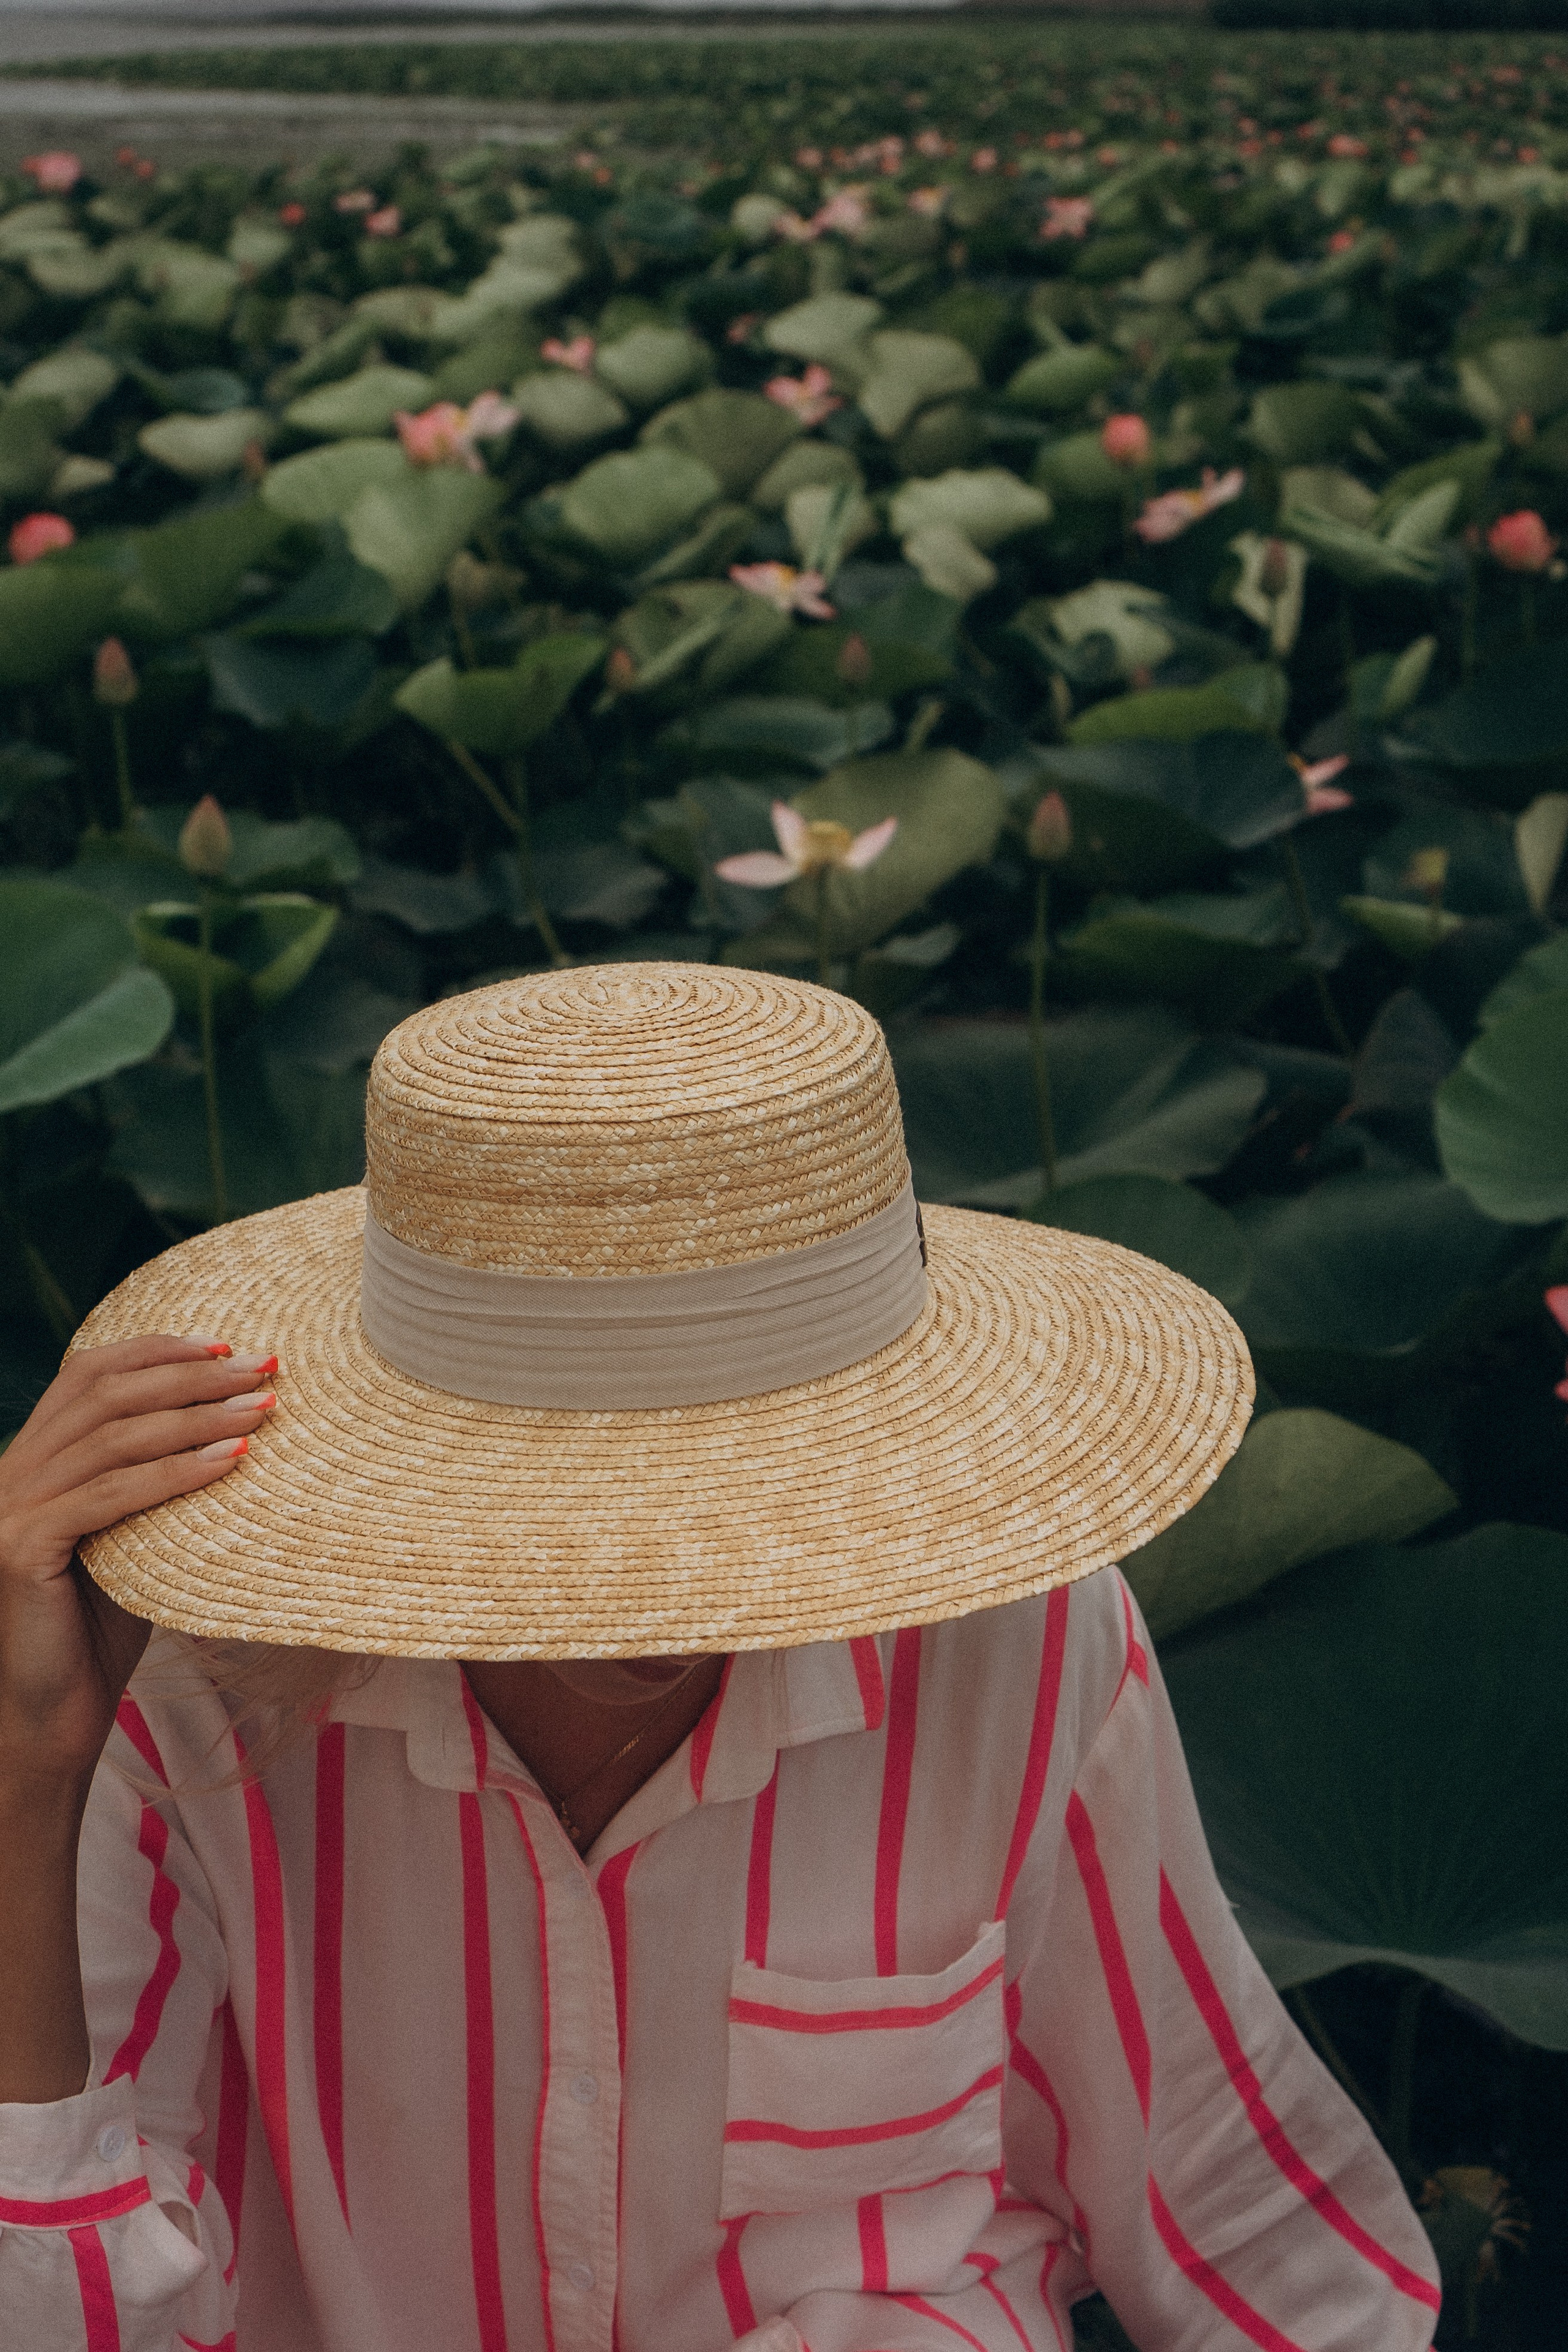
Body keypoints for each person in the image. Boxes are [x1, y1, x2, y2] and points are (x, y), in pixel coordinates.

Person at [0, 965, 1439, 2352]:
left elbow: (1230, 2205)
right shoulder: (186, 1683)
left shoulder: (1018, 1641)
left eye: (738, 1482)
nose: (661, 1592)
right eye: (565, 1485)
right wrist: (21, 1780)